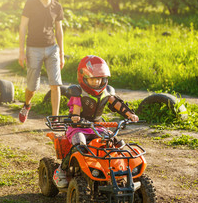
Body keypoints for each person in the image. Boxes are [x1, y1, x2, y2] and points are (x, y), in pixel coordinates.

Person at [53, 55, 139, 188]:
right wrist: (76, 117)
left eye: (99, 79)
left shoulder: (107, 92)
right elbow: (76, 110)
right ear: (84, 78)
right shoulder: (78, 92)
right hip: (79, 127)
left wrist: (130, 114)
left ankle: (118, 171)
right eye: (92, 79)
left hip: (98, 126)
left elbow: (117, 103)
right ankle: (61, 171)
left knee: (116, 143)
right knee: (79, 145)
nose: (96, 82)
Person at [18, 0, 64, 123]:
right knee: (32, 86)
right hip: (33, 49)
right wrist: (21, 52)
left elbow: (59, 31)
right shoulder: (30, 4)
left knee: (55, 84)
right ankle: (27, 105)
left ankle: (55, 118)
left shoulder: (57, 6)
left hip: (52, 48)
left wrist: (62, 53)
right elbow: (23, 27)